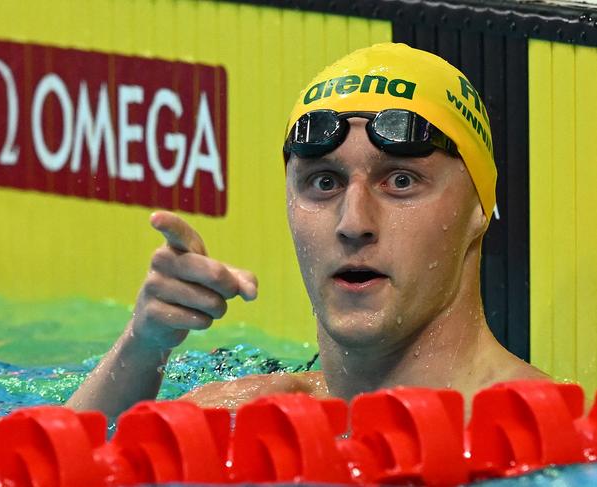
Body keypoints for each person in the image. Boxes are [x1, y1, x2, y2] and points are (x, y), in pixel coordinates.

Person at [67, 43, 547, 419]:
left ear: (479, 208)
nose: (354, 223)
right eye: (324, 182)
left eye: (400, 181)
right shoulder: (231, 414)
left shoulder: (549, 438)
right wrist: (144, 343)